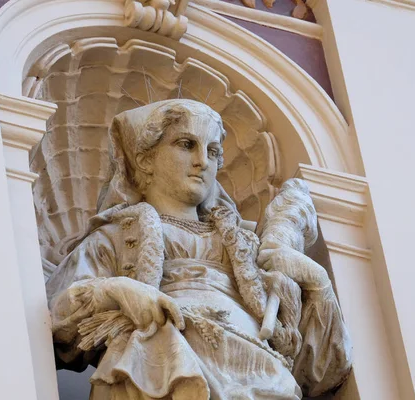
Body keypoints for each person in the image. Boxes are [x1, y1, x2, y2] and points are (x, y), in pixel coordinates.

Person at [46, 99, 352, 399]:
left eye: (213, 151)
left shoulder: (248, 250)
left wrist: (317, 283)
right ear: (145, 159)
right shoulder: (116, 238)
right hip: (158, 373)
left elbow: (321, 374)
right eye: (186, 144)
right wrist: (118, 290)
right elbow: (57, 324)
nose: (202, 161)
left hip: (261, 378)